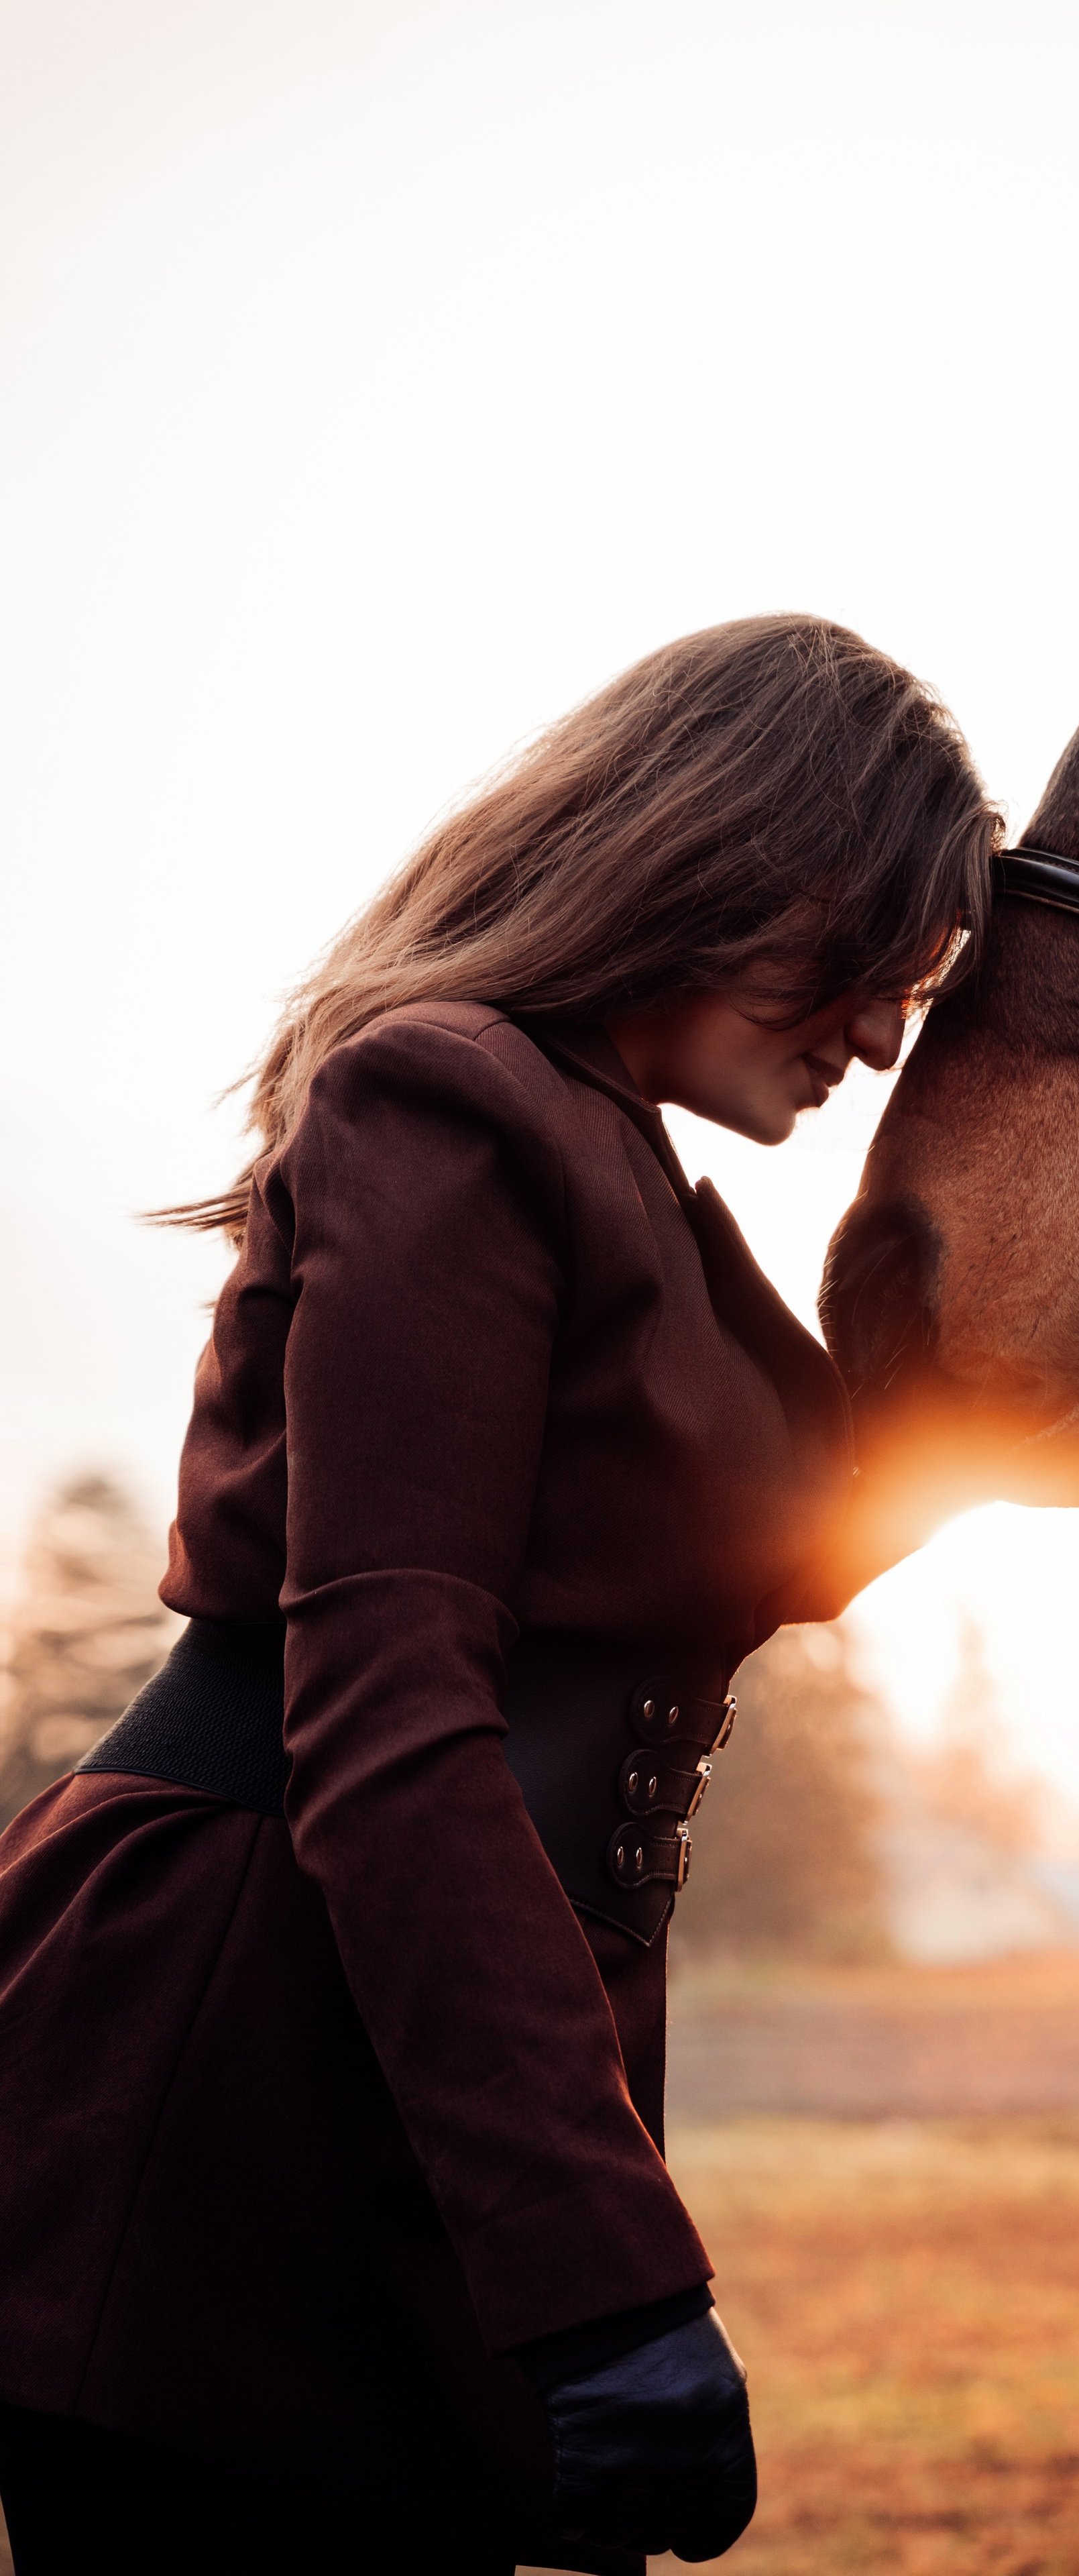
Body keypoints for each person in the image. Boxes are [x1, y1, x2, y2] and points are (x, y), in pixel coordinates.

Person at [0, 615, 999, 2575]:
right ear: (736, 855)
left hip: (387, 2038)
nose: (885, 1037)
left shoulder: (614, 1162)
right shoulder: (451, 1100)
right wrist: (607, 2284)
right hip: (224, 2073)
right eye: (880, 961)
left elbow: (783, 1538)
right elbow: (389, 1716)